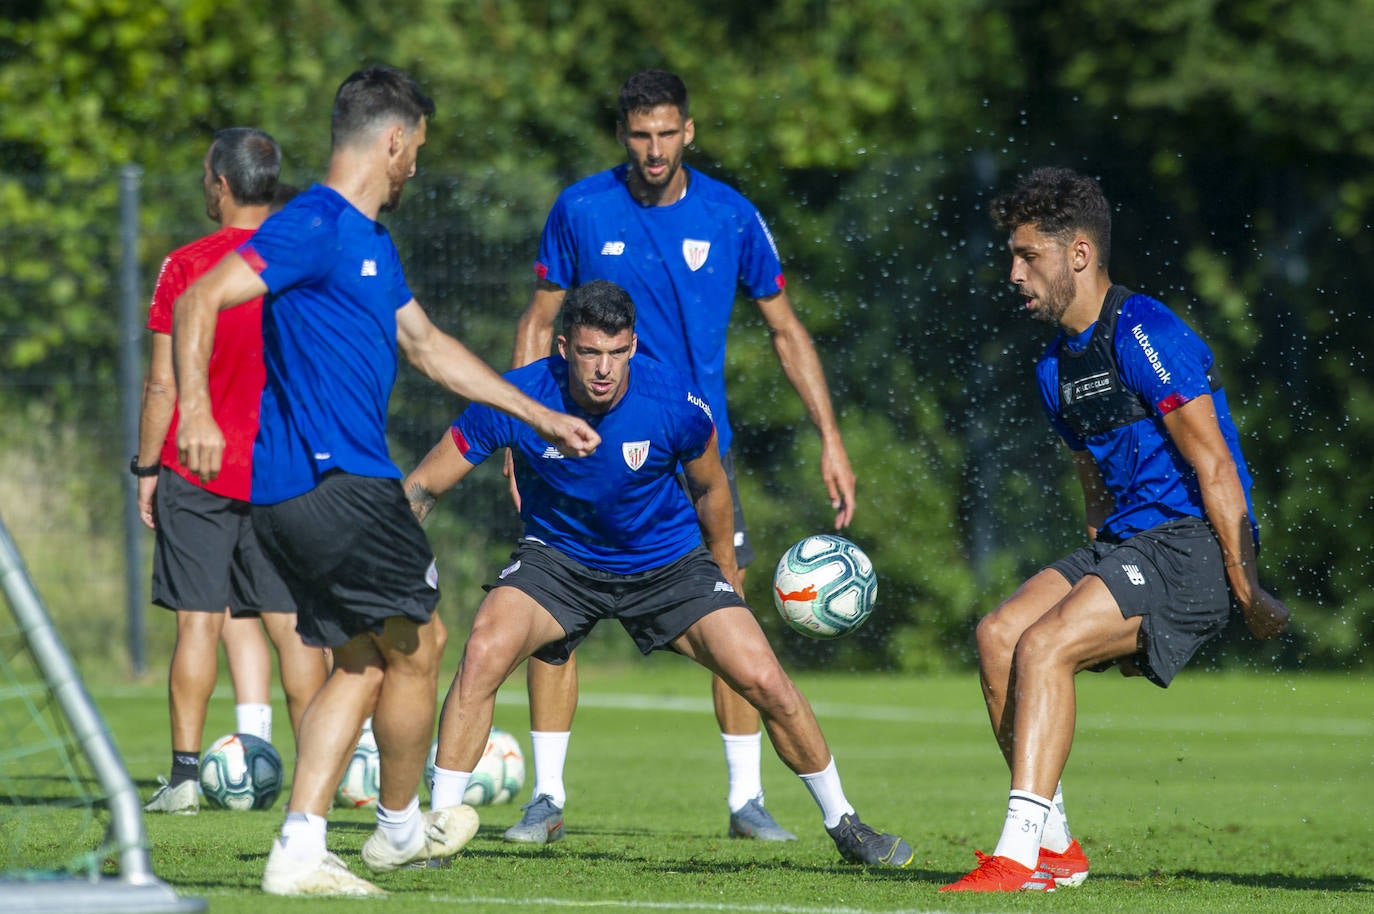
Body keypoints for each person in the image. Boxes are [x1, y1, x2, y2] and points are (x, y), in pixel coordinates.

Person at [172, 65, 600, 896]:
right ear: (393, 140)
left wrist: (536, 413)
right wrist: (196, 410)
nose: (416, 168)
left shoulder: (370, 242)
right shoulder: (318, 224)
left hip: (304, 491)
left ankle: (301, 847)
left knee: (365, 664)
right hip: (340, 480)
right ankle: (399, 828)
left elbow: (428, 346)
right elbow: (201, 297)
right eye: (416, 152)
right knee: (424, 645)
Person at [408, 280, 911, 868]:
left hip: (669, 566)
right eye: (591, 352)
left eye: (617, 353)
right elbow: (422, 485)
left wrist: (725, 576)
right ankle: (435, 833)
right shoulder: (516, 399)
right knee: (483, 652)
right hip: (557, 563)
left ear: (633, 346)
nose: (604, 369)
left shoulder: (674, 400)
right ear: (564, 346)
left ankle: (846, 823)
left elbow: (710, 488)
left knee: (765, 679)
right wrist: (385, 554)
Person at [505, 68, 856, 845]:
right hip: (582, 447)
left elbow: (787, 329)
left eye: (667, 133)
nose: (654, 149)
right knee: (552, 618)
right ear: (622, 135)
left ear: (689, 131)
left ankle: (745, 800)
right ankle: (547, 797)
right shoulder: (582, 208)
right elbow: (538, 324)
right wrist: (520, 425)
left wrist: (831, 437)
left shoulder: (731, 215)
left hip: (694, 459)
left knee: (729, 615)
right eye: (639, 134)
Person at [941, 167, 1291, 893]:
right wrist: (1102, 580)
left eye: (1027, 255)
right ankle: (1057, 850)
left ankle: (1015, 855)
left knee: (1045, 647)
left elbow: (1217, 468)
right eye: (1011, 255)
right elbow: (1093, 479)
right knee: (999, 635)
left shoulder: (1145, 331)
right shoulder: (1053, 367)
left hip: (1192, 545)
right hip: (1129, 545)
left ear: (1078, 254)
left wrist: (1245, 589)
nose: (1014, 273)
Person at [135, 127, 328, 815]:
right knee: (292, 626)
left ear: (219, 183)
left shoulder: (187, 266)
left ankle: (185, 777)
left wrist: (146, 467)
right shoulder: (297, 259)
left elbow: (163, 387)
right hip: (280, 468)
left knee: (198, 624)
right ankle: (318, 774)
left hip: (201, 466)